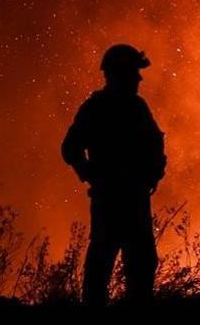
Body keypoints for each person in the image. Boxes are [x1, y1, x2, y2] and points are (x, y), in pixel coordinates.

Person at [62, 43, 166, 306]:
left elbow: (155, 144)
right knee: (104, 263)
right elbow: (71, 148)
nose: (139, 78)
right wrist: (92, 175)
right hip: (114, 200)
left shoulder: (133, 107)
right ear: (120, 73)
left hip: (130, 198)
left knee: (138, 262)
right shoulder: (99, 108)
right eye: (134, 72)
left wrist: (153, 173)